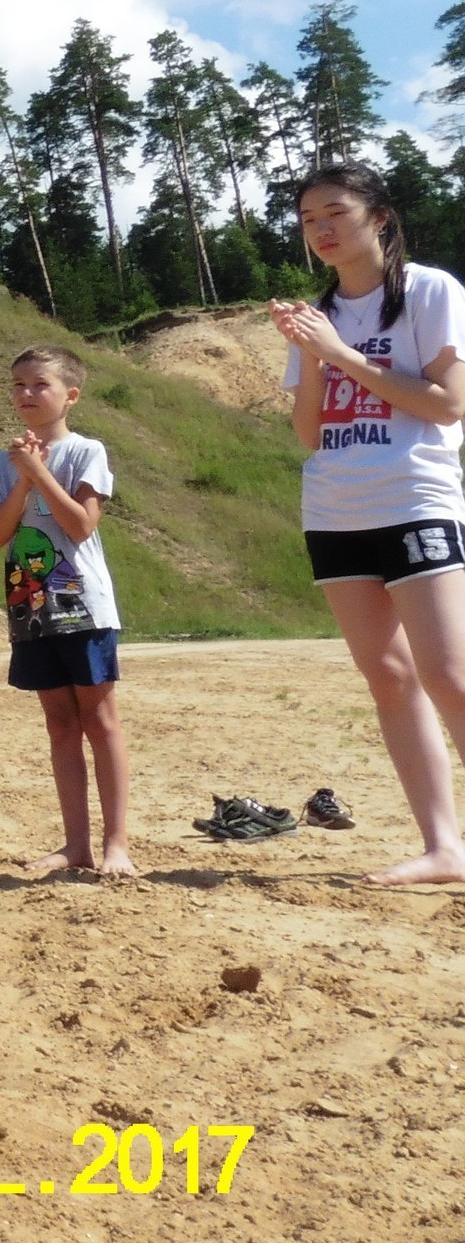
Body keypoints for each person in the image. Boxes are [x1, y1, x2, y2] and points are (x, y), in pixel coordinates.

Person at [270, 164, 465, 886]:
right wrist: (315, 352)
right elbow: (311, 433)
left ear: (379, 216)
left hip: (415, 497)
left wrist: (343, 354)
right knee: (387, 677)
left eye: (335, 213)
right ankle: (444, 846)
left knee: (449, 675)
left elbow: (448, 405)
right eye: (307, 219)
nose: (321, 230)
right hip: (334, 508)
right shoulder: (316, 316)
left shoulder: (431, 291)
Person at [0, 345, 129, 878]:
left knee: (101, 722)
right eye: (17, 384)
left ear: (71, 395)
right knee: (60, 726)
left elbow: (81, 525)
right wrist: (22, 476)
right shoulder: (3, 462)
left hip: (84, 606)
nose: (25, 394)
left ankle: (116, 844)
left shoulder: (88, 451)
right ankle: (75, 845)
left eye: (38, 384)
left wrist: (39, 472)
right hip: (30, 607)